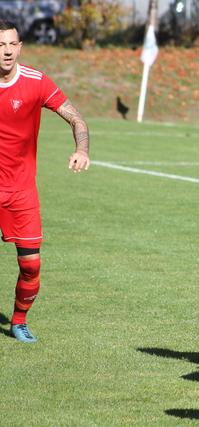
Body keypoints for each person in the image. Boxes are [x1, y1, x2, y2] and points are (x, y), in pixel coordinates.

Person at [0, 20, 90, 343]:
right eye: (0, 45)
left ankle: (19, 321)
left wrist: (81, 149)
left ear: (20, 47)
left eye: (12, 44)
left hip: (22, 191)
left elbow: (76, 118)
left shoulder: (36, 82)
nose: (7, 51)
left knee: (32, 267)